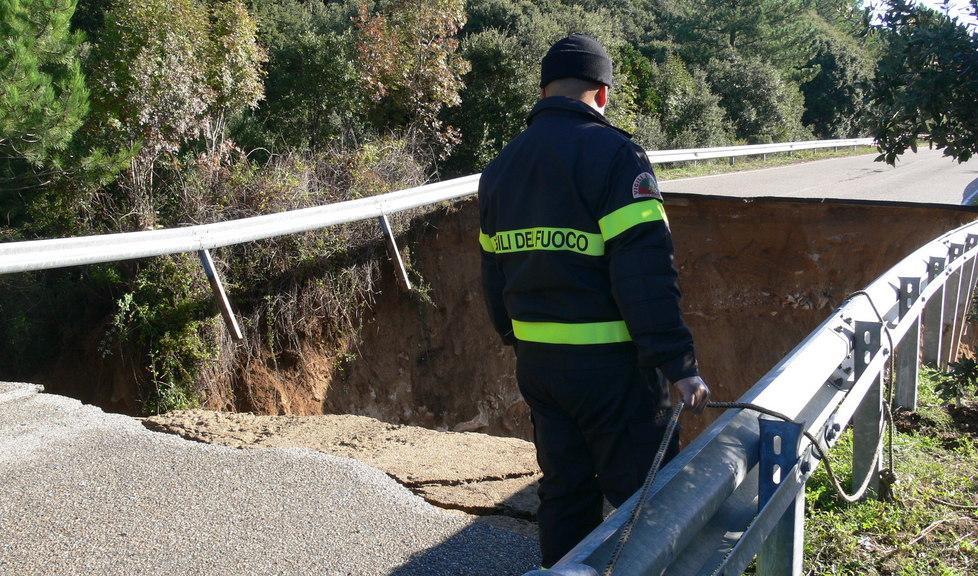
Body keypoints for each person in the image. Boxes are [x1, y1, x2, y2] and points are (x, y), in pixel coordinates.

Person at [477, 33, 711, 567]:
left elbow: (493, 273)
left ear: (544, 91)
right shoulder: (615, 156)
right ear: (601, 94)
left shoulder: (502, 168)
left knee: (565, 493)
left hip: (540, 369)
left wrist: (516, 337)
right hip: (614, 372)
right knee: (644, 504)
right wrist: (679, 364)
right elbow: (644, 273)